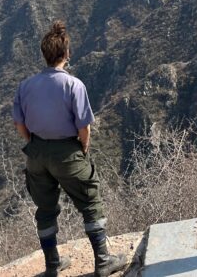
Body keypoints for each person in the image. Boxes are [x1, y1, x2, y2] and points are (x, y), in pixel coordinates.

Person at [12, 21, 127, 277]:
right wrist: (83, 149)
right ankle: (103, 261)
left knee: (45, 209)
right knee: (89, 202)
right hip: (67, 152)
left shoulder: (26, 86)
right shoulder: (74, 85)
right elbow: (84, 127)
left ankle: (53, 265)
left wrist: (33, 142)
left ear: (44, 55)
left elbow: (19, 124)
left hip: (37, 152)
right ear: (66, 54)